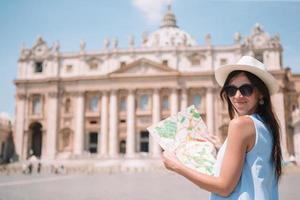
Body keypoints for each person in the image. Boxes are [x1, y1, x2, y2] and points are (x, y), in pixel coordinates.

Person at [162, 56, 282, 200]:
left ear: (260, 92)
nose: (237, 96)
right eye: (231, 90)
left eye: (246, 89)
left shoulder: (240, 124)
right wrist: (223, 147)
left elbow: (224, 187)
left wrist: (178, 166)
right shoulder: (266, 125)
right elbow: (253, 162)